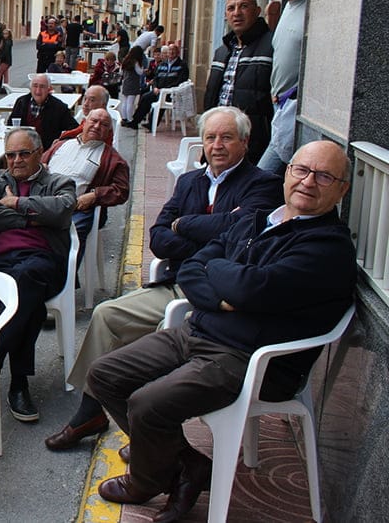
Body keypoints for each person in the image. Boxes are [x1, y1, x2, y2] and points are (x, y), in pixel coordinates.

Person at [87, 141, 355, 523]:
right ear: (287, 172)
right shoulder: (257, 218)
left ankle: (146, 480)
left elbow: (250, 287)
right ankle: (187, 466)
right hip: (200, 332)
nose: (309, 182)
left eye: (324, 176)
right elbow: (194, 266)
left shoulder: (327, 248)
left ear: (342, 189)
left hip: (251, 359)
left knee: (147, 404)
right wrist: (226, 290)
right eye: (301, 170)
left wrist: (225, 276)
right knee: (105, 375)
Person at [43, 107, 283, 453]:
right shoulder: (190, 182)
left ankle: (150, 434)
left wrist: (184, 224)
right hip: (177, 283)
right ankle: (91, 411)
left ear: (245, 143)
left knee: (157, 346)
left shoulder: (263, 185)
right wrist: (208, 229)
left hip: (220, 297)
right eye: (211, 137)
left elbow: (239, 236)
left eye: (227, 137)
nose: (217, 145)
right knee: (106, 315)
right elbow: (159, 238)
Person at [0, 127, 74, 422]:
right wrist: (35, 218)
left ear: (40, 153)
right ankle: (18, 384)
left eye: (23, 153)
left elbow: (62, 211)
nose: (15, 160)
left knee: (26, 279)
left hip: (43, 261)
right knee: (28, 303)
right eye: (10, 154)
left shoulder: (59, 181)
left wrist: (16, 203)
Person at [42, 109, 129, 267]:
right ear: (84, 122)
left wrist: (95, 195)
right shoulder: (61, 144)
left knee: (65, 238)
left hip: (75, 208)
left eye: (103, 125)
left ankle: (62, 282)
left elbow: (122, 190)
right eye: (93, 121)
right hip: (40, 201)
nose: (97, 126)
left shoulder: (113, 159)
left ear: (109, 131)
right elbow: (39, 165)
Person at [258, 0, 310, 175]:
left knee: (260, 184)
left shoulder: (313, 8)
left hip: (295, 112)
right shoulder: (289, 7)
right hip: (281, 110)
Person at [204, 0, 274, 163]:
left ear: (257, 11)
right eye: (231, 8)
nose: (237, 13)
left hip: (253, 144)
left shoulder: (271, 46)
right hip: (219, 141)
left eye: (244, 6)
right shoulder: (222, 51)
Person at [7, 74, 78, 148]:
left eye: (42, 87)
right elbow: (10, 125)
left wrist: (61, 141)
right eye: (35, 86)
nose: (38, 91)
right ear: (30, 88)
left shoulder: (59, 107)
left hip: (47, 151)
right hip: (22, 148)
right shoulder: (22, 102)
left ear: (49, 89)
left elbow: (74, 129)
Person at [128, 44, 190, 129]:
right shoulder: (162, 64)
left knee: (160, 100)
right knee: (145, 98)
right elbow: (156, 78)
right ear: (167, 53)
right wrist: (155, 87)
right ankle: (135, 122)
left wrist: (164, 89)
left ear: (178, 53)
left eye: (173, 51)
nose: (171, 52)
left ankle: (152, 124)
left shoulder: (182, 65)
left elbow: (180, 81)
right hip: (158, 90)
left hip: (172, 93)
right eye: (169, 51)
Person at [119, 46, 146, 125]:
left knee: (125, 101)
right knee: (130, 102)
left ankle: (124, 118)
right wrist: (143, 69)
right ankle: (130, 119)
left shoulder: (125, 61)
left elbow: (121, 72)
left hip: (126, 83)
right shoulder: (136, 62)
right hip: (133, 83)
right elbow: (139, 72)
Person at [0, 28, 13, 92]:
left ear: (9, 34)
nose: (4, 35)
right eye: (3, 34)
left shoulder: (7, 42)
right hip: (7, 60)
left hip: (5, 60)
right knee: (5, 74)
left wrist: (0, 58)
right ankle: (6, 86)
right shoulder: (7, 41)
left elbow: (5, 52)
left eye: (6, 34)